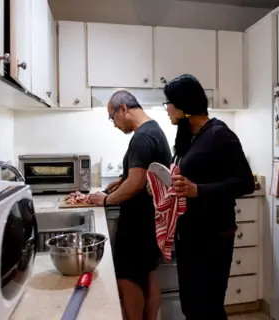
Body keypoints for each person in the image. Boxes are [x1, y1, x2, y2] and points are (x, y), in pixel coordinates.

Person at [163, 74, 255, 319]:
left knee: (207, 308)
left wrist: (198, 190)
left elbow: (246, 183)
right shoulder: (190, 139)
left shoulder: (219, 135)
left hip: (212, 239)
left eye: (169, 103)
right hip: (190, 237)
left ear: (184, 107)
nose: (167, 109)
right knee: (191, 306)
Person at [89, 90, 172, 320]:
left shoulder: (141, 137)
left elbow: (136, 182)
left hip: (137, 223)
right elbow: (141, 175)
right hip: (151, 221)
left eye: (112, 117)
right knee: (148, 276)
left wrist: (106, 199)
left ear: (123, 109)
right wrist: (118, 183)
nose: (114, 125)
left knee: (126, 278)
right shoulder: (154, 130)